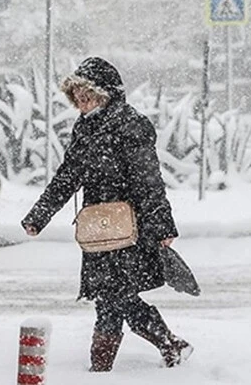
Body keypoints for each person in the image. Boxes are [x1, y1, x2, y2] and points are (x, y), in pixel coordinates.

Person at [20, 56, 193, 372]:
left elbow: (149, 180)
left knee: (113, 298)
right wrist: (39, 215)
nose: (82, 102)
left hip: (130, 227)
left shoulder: (131, 125)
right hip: (99, 229)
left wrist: (162, 225)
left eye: (88, 95)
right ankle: (168, 345)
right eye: (78, 96)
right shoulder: (85, 128)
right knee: (114, 296)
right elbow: (68, 175)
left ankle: (102, 368)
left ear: (106, 93)